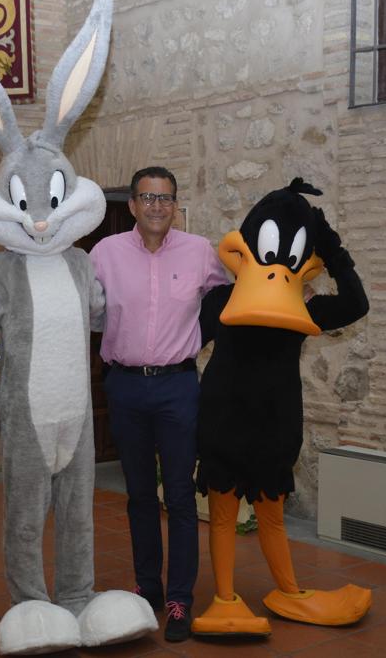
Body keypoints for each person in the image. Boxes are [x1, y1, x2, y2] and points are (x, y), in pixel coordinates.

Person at [89, 166, 229, 642]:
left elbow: (234, 295)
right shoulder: (105, 253)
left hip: (177, 387)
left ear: (176, 205)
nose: (156, 206)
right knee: (140, 497)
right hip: (125, 388)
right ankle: (147, 588)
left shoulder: (199, 253)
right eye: (147, 198)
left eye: (165, 198)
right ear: (131, 205)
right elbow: (84, 307)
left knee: (181, 497)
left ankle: (179, 599)